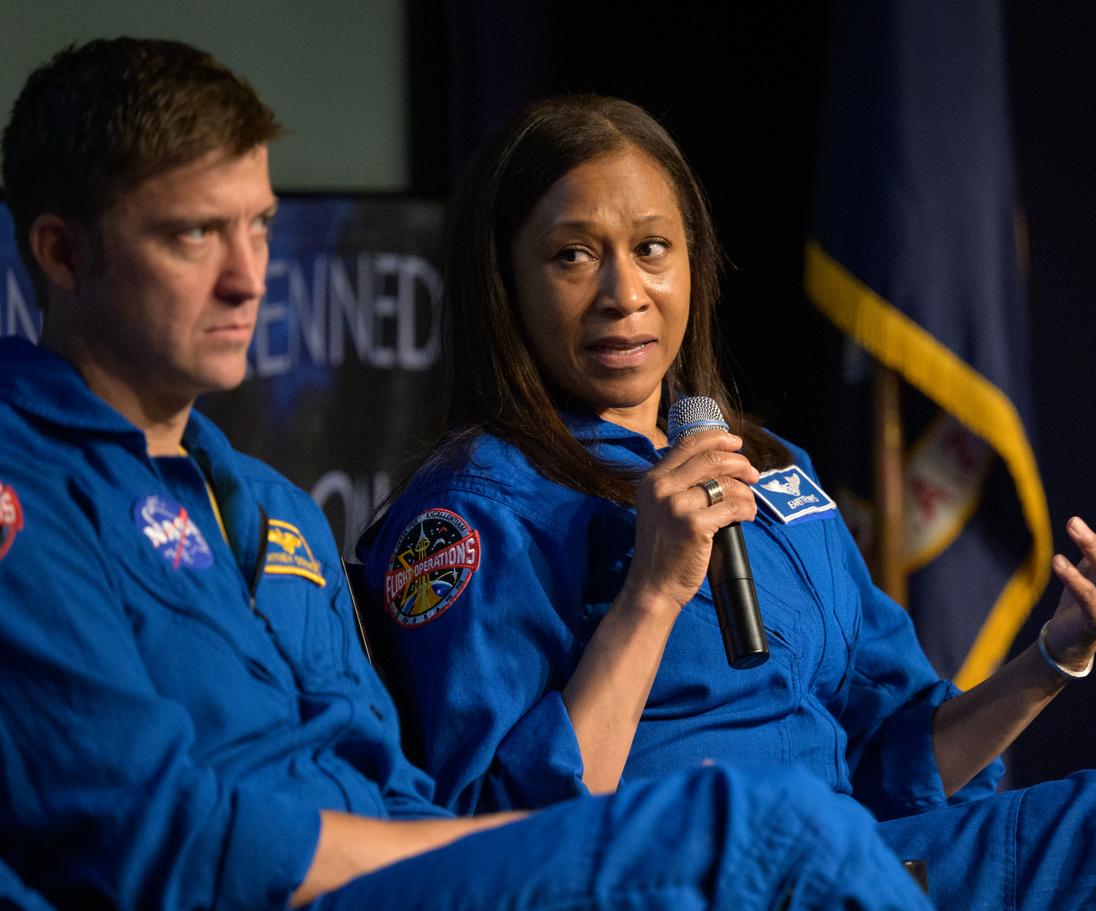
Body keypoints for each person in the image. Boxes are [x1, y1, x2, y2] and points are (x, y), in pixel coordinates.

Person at [0, 39, 949, 911]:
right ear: (61, 252)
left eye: (258, 228)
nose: (250, 277)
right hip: (338, 885)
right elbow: (148, 832)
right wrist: (481, 847)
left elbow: (385, 771)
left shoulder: (266, 500)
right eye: (195, 236)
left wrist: (1052, 661)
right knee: (764, 823)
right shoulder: (27, 492)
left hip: (418, 871)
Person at [355, 95, 1096, 908]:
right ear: (503, 286)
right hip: (698, 875)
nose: (624, 293)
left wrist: (1052, 656)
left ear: (695, 267)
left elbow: (895, 755)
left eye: (651, 249)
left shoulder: (771, 470)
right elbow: (495, 842)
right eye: (571, 257)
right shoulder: (469, 516)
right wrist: (650, 591)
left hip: (864, 861)